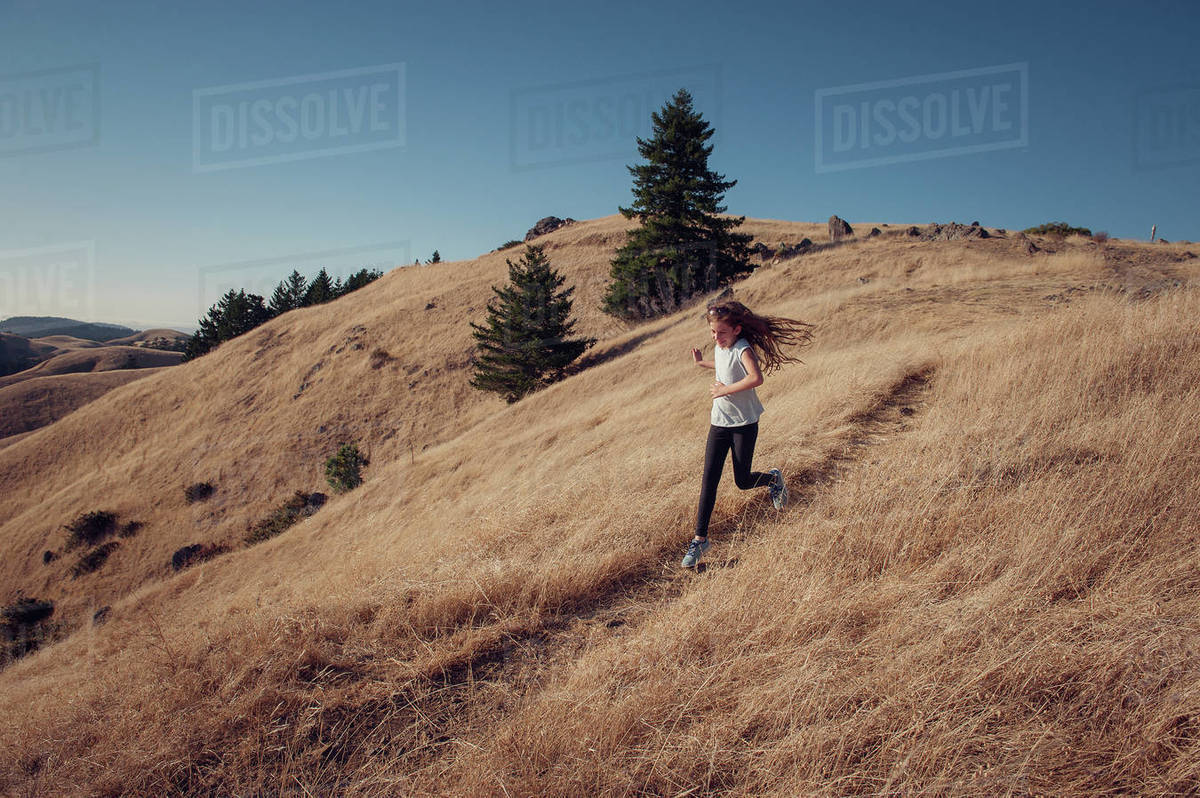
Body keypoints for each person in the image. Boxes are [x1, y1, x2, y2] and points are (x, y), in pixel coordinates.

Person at [683, 300, 814, 568]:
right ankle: (700, 539)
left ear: (737, 329)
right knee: (709, 480)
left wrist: (723, 390)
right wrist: (701, 363)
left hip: (744, 423)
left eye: (721, 333)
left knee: (742, 481)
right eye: (712, 333)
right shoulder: (721, 348)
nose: (716, 337)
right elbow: (722, 365)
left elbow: (756, 378)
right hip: (719, 423)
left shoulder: (743, 349)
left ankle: (773, 479)